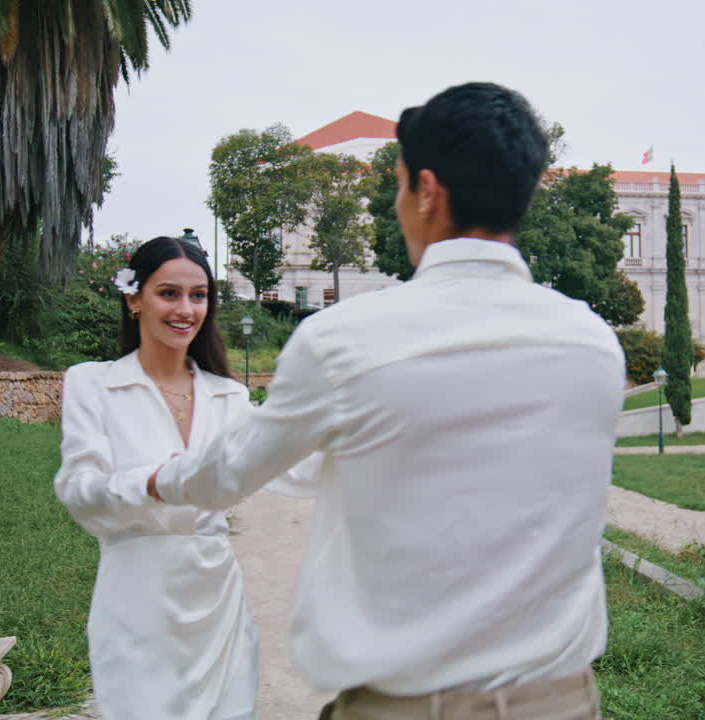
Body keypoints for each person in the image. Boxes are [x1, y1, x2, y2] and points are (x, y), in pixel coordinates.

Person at [151, 82, 625, 719]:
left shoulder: (344, 340)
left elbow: (230, 473)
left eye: (399, 184)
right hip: (563, 702)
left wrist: (160, 480)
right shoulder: (594, 345)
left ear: (427, 191)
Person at [54, 236, 314, 720]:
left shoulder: (228, 396)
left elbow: (285, 465)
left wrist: (358, 439)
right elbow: (79, 493)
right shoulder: (93, 384)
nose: (186, 309)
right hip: (136, 598)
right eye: (168, 293)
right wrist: (156, 483)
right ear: (134, 299)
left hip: (218, 601)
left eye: (199, 296)